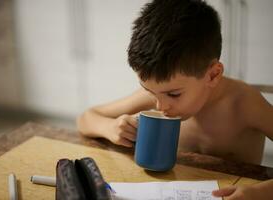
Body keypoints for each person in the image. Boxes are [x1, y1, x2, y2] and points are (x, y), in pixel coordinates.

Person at [77, 0, 273, 199]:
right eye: (150, 91)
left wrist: (260, 192)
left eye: (174, 94)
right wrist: (111, 128)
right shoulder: (158, 93)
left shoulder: (244, 104)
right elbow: (86, 118)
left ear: (213, 75)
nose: (160, 105)